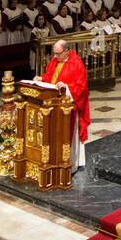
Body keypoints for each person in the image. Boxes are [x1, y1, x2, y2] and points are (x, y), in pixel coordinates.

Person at [39, 39, 90, 172]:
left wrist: (66, 87)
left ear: (66, 51)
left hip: (69, 107)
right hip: (53, 105)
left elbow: (81, 87)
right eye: (54, 53)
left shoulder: (76, 63)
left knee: (68, 135)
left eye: (58, 54)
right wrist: (41, 78)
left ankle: (70, 164)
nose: (55, 57)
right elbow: (50, 76)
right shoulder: (55, 61)